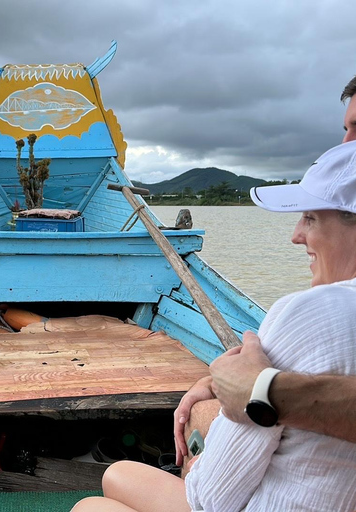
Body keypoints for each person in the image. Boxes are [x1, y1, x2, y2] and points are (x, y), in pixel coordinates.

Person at [72, 141, 356, 511]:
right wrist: (214, 388)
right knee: (117, 474)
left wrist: (197, 452)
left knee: (91, 508)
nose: (296, 235)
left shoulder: (311, 311)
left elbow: (212, 500)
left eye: (311, 218)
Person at [173, 74, 356, 472]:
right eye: (347, 130)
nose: (346, 148)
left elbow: (217, 496)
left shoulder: (311, 309)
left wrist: (262, 392)